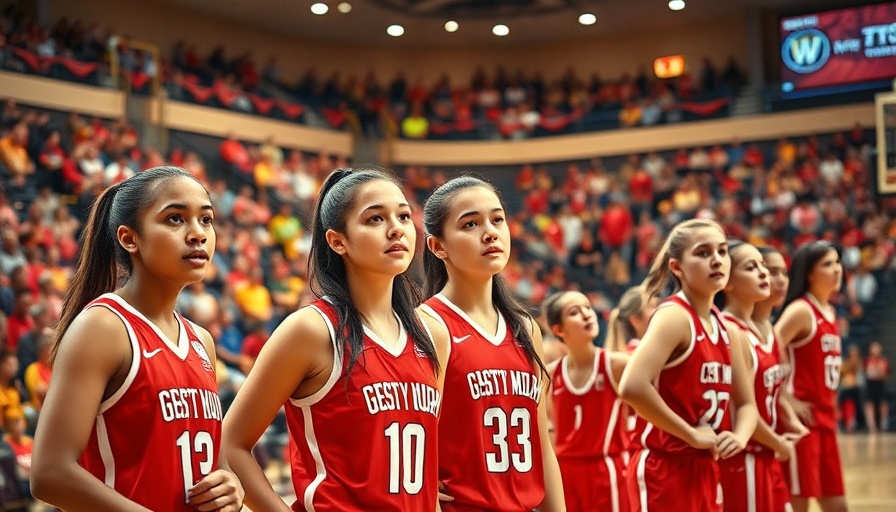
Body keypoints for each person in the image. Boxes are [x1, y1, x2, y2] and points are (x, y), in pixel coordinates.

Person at [223, 168, 448, 511]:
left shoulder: (431, 332)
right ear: (337, 240)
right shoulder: (311, 330)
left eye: (403, 214)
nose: (396, 228)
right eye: (375, 218)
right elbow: (229, 444)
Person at [30, 166, 243, 511]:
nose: (198, 234)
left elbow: (201, 457)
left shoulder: (201, 339)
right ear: (130, 239)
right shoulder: (103, 327)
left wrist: (228, 482)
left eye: (206, 220)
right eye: (175, 219)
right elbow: (50, 473)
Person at [420, 176, 564, 511]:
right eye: (470, 223)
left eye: (497, 219)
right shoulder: (429, 325)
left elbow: (541, 444)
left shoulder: (527, 328)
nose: (490, 231)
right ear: (438, 246)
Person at [618, 219, 758, 511]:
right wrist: (691, 434)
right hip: (664, 466)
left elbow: (746, 404)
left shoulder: (728, 329)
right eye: (703, 253)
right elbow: (632, 386)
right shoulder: (675, 317)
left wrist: (740, 436)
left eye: (722, 251)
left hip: (705, 466)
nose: (717, 259)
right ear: (677, 267)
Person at [716, 241, 797, 512]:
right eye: (752, 267)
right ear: (728, 282)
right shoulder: (730, 330)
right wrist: (779, 444)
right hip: (743, 459)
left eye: (763, 266)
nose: (764, 274)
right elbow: (740, 409)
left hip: (764, 454)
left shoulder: (759, 328)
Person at [774, 240, 846, 512]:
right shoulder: (801, 310)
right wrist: (785, 398)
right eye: (827, 264)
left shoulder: (830, 311)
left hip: (826, 419)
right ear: (809, 273)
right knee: (798, 504)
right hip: (803, 424)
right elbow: (770, 347)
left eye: (838, 262)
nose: (837, 269)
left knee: (837, 504)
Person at [542, 290, 629, 512]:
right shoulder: (550, 375)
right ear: (558, 329)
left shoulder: (617, 365)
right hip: (565, 472)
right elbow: (549, 428)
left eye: (588, 307)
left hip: (607, 469)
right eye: (575, 312)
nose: (587, 314)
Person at [752, 246, 809, 512]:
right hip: (750, 451)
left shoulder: (772, 332)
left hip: (769, 450)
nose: (779, 279)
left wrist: (792, 418)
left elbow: (776, 389)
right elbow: (743, 405)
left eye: (783, 272)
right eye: (769, 271)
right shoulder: (738, 332)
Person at [604, 285, 658, 353]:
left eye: (657, 305)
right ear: (634, 319)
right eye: (652, 306)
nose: (659, 309)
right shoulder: (640, 351)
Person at [863, 341, 889, 433]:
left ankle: (883, 423)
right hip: (870, 384)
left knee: (882, 403)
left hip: (879, 383)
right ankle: (871, 425)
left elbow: (885, 375)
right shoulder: (866, 360)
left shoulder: (883, 361)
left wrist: (878, 367)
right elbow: (864, 372)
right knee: (869, 403)